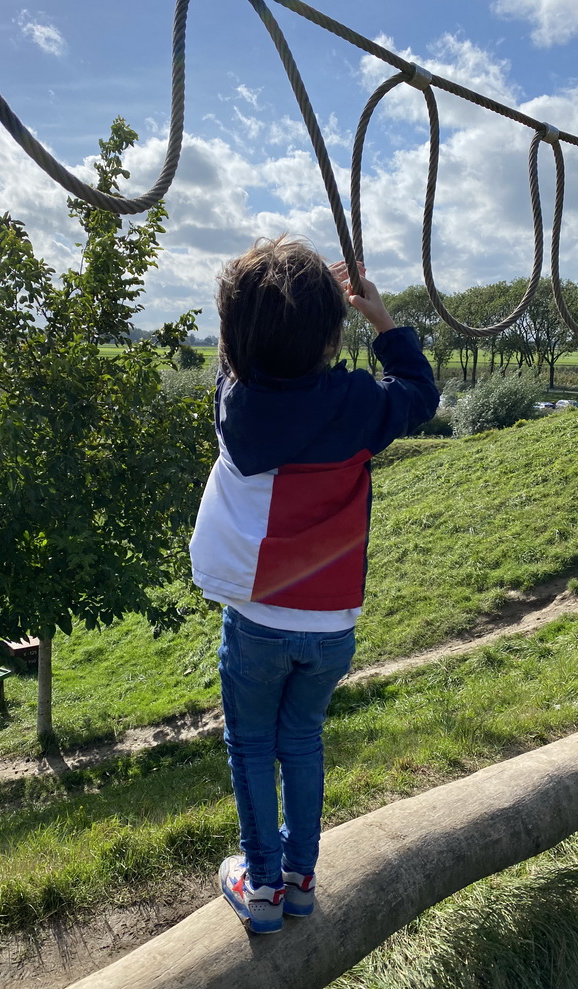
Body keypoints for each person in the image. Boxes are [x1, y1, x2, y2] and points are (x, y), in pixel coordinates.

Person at [189, 236, 439, 933]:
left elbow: (240, 359)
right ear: (333, 339)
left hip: (258, 619)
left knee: (249, 745)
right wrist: (379, 318)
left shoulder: (236, 409)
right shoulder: (360, 404)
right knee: (301, 740)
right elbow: (420, 393)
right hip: (331, 627)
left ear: (234, 341)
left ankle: (260, 885)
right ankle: (299, 880)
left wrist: (281, 317)